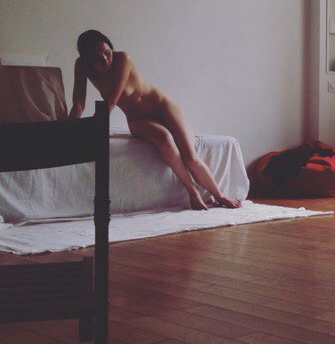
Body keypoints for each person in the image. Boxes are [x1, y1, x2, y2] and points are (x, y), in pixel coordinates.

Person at [69, 29, 242, 211]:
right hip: (138, 119)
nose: (106, 59)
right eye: (98, 58)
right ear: (87, 60)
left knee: (191, 158)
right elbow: (78, 104)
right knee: (165, 140)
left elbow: (111, 101)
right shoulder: (81, 66)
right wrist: (70, 130)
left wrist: (93, 128)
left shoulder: (122, 59)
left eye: (107, 52)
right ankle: (192, 192)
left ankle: (220, 196)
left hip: (161, 107)